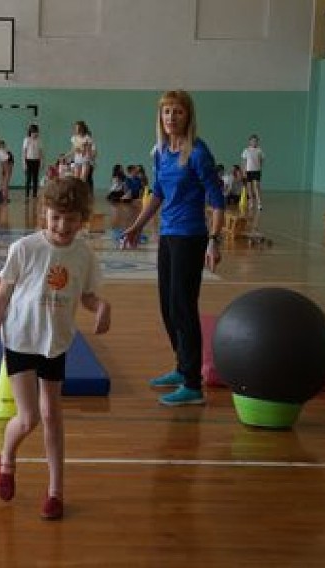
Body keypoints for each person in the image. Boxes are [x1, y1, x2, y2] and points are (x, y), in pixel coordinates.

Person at [0, 176, 111, 521]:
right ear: (44, 214)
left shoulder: (84, 255)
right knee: (28, 419)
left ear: (83, 219)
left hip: (55, 343)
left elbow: (85, 295)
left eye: (70, 219)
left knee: (53, 416)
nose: (62, 226)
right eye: (55, 217)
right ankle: (6, 458)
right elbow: (1, 297)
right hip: (21, 340)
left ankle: (56, 491)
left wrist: (101, 307)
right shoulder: (25, 249)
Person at [121, 89, 225, 406]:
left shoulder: (197, 153)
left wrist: (214, 240)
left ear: (188, 115)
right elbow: (158, 194)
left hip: (191, 237)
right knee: (167, 306)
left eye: (177, 112)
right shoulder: (161, 152)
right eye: (166, 112)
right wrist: (137, 226)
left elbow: (217, 199)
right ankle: (182, 367)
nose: (171, 118)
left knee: (183, 306)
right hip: (167, 236)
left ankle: (193, 385)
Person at [241, 134, 265, 210]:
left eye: (256, 141)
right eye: (253, 141)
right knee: (249, 187)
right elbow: (244, 161)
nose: (254, 142)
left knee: (256, 186)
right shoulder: (246, 150)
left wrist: (260, 168)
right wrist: (244, 171)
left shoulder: (259, 150)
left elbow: (261, 160)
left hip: (256, 171)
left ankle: (259, 203)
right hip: (248, 171)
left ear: (257, 142)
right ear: (250, 142)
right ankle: (251, 202)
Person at [22, 124, 43, 201]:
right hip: (28, 161)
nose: (35, 134)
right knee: (28, 179)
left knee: (35, 179)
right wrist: (24, 163)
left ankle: (34, 194)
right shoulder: (26, 140)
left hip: (36, 161)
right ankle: (27, 195)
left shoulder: (39, 140)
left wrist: (41, 162)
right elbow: (24, 152)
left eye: (36, 132)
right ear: (30, 132)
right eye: (33, 132)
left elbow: (40, 152)